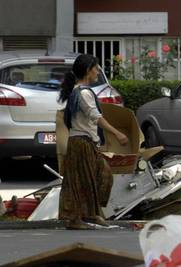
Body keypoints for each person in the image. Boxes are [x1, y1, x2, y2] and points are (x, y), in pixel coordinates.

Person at [58, 54, 128, 230]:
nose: (98, 72)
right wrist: (117, 133)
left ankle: (90, 214)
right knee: (81, 181)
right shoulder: (84, 93)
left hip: (83, 142)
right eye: (96, 68)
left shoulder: (77, 91)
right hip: (82, 142)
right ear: (88, 70)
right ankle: (75, 219)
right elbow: (96, 117)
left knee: (100, 175)